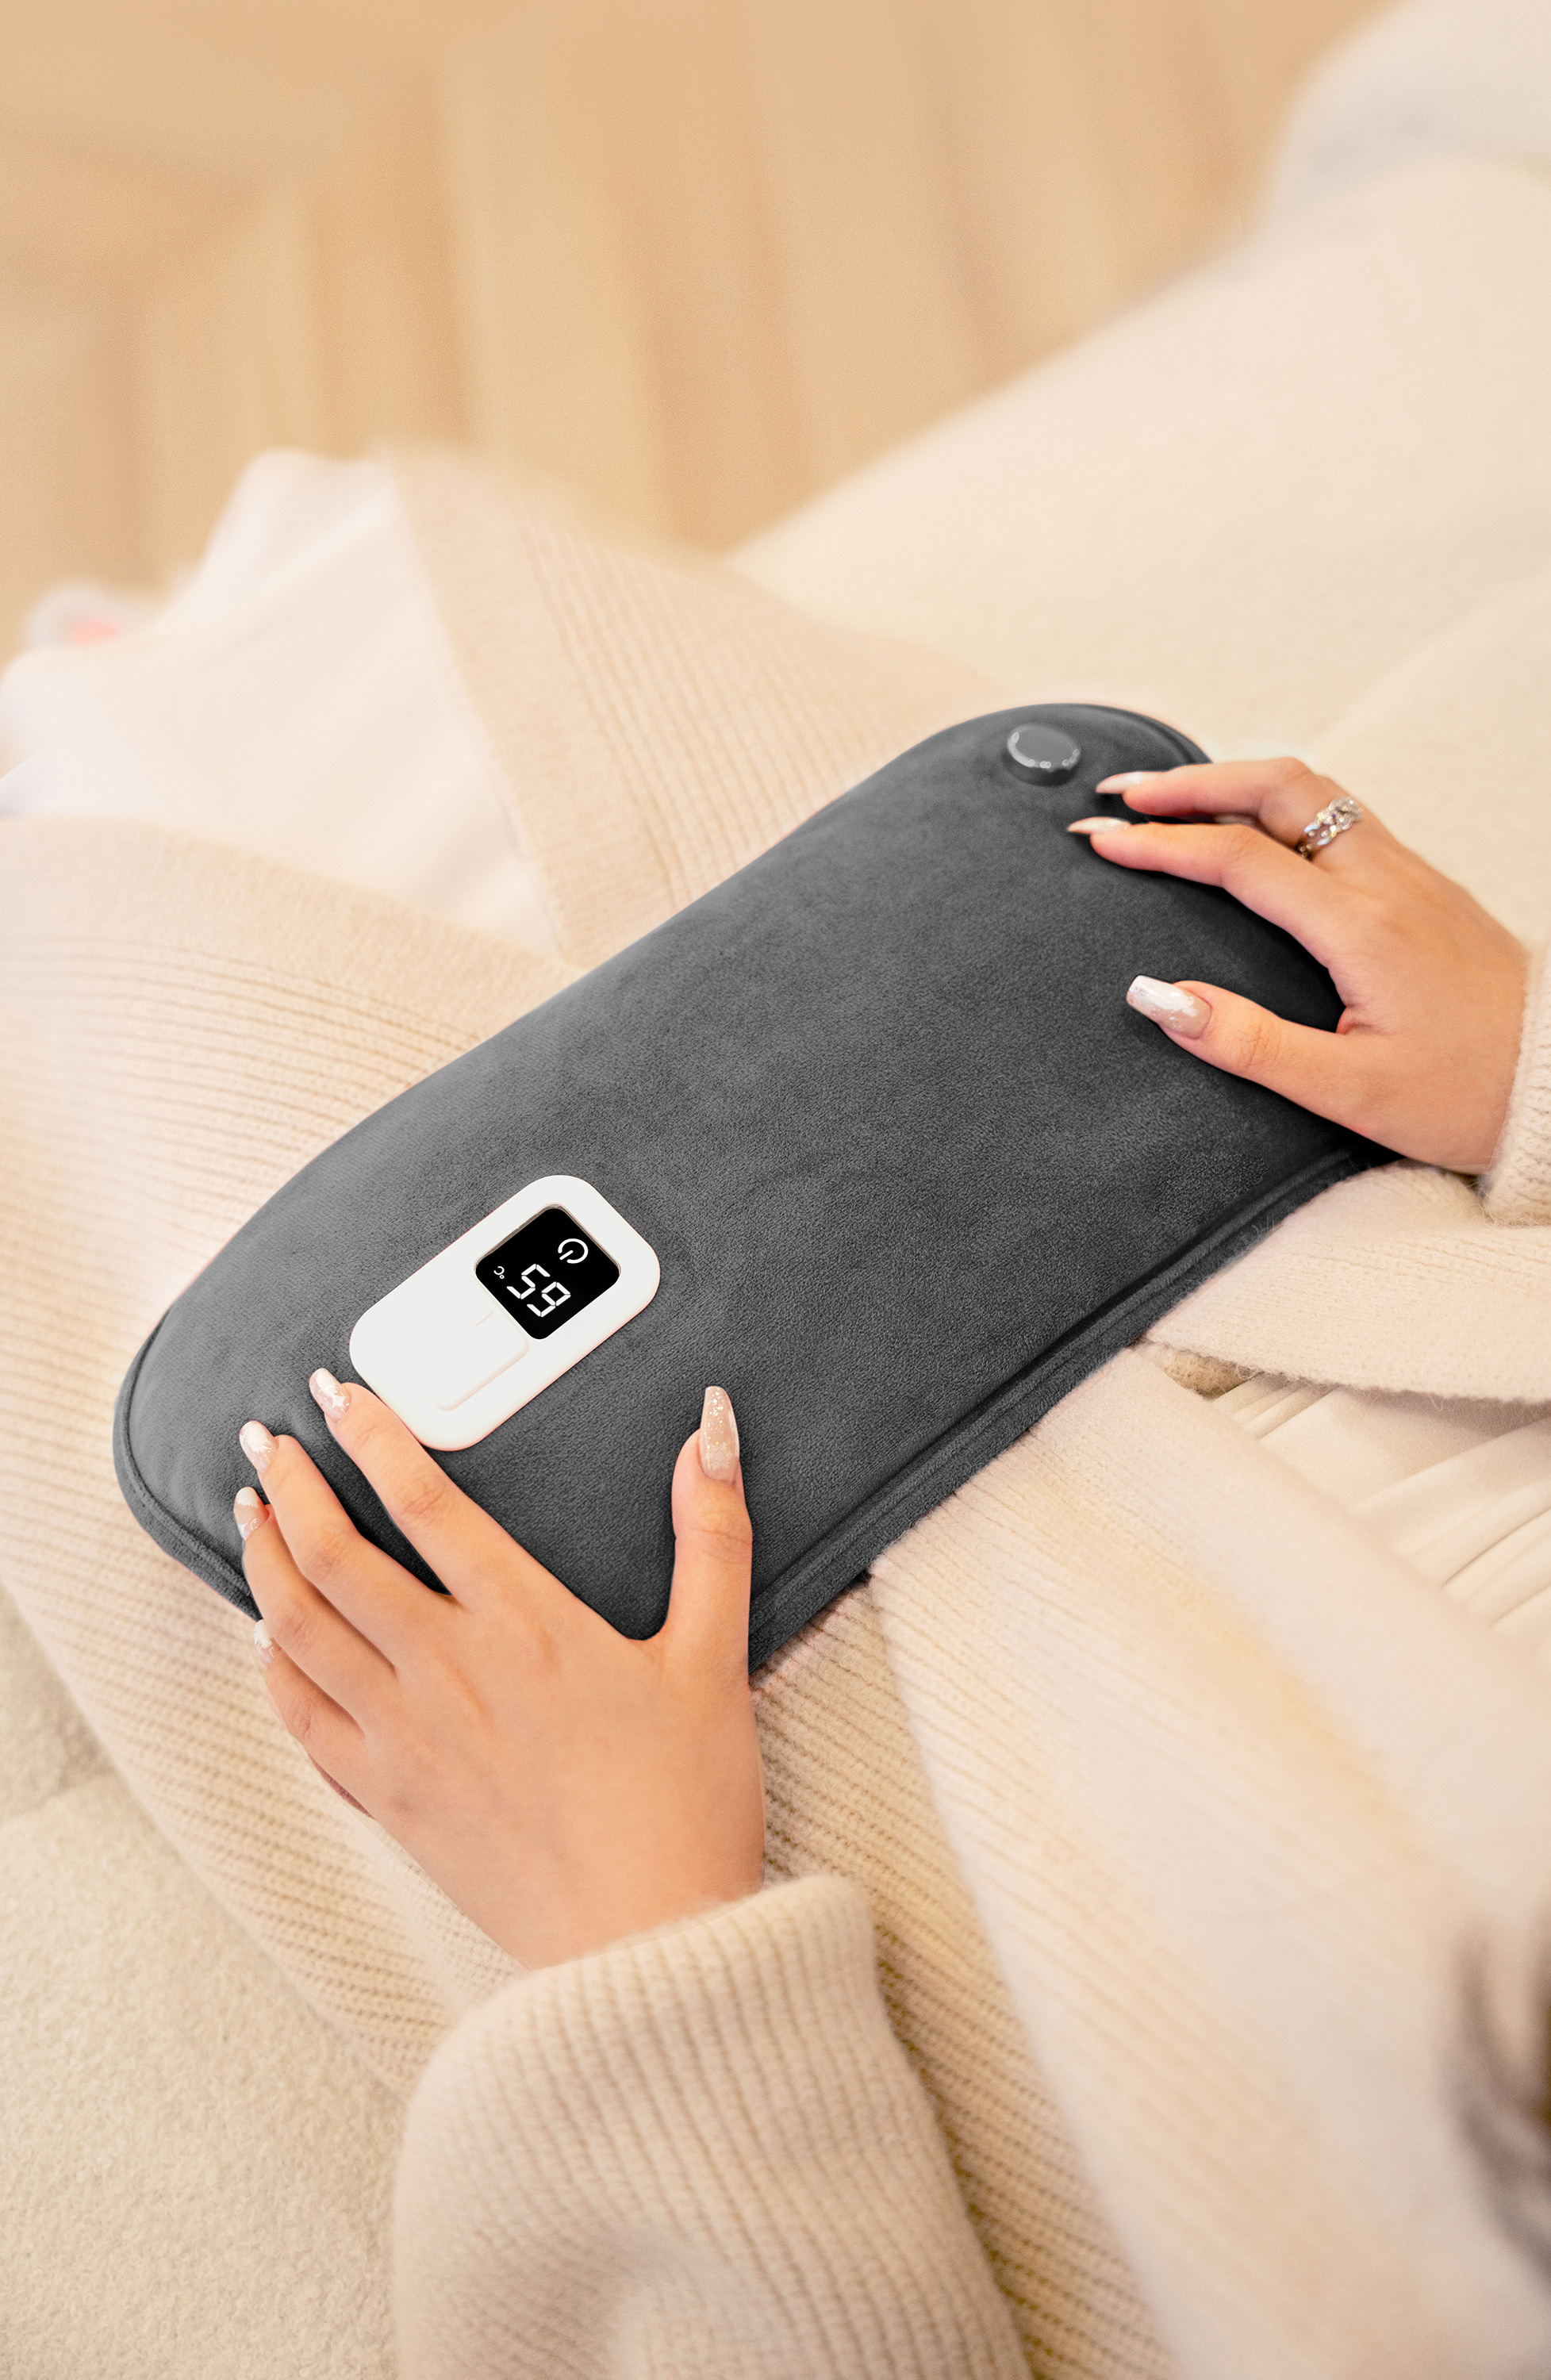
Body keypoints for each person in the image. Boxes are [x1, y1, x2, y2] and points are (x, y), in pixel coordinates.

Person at [228, 756, 1551, 2374]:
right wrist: (1532, 1076)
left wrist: (647, 1951)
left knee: (120, 957)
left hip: (698, 1737)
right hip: (1310, 1157)